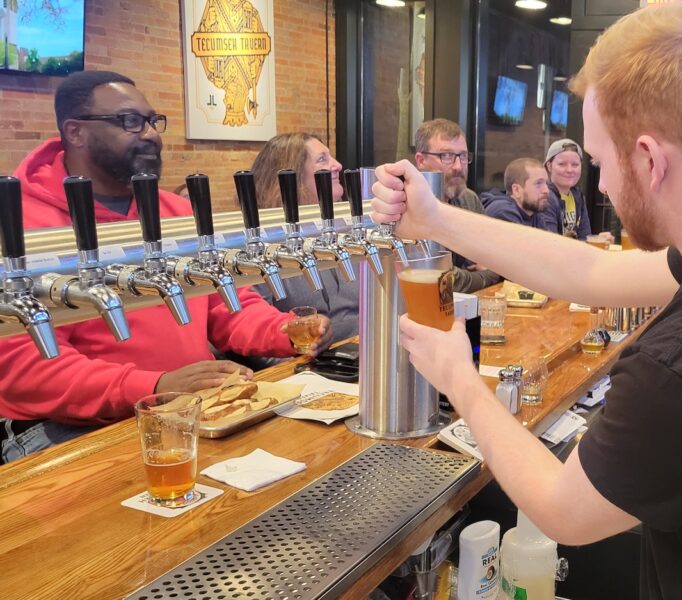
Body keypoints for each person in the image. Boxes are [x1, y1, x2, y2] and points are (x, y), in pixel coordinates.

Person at [372, 3, 682, 598]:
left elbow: (564, 511)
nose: (601, 183)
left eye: (598, 161)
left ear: (648, 158)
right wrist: (436, 221)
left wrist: (459, 379)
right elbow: (594, 270)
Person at [0, 71, 331, 463]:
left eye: (153, 121)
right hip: (70, 428)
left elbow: (227, 304)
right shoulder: (18, 225)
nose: (151, 134)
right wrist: (154, 385)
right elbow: (25, 369)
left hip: (190, 409)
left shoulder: (175, 211)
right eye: (129, 121)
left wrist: (285, 332)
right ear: (75, 132)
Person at [247, 132, 360, 345]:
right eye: (322, 159)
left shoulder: (347, 230)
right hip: (307, 364)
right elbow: (256, 332)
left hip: (364, 350)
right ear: (293, 177)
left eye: (331, 157)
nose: (337, 165)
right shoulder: (262, 246)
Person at [413, 118, 502, 292]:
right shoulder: (410, 207)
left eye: (462, 156)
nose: (458, 166)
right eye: (446, 156)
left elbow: (493, 254)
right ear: (421, 160)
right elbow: (440, 280)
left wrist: (490, 267)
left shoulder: (468, 199)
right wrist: (489, 276)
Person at [543, 138, 612, 243]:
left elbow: (584, 236)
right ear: (549, 166)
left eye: (575, 165)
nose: (570, 170)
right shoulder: (544, 196)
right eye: (562, 164)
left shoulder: (577, 196)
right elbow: (551, 243)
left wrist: (597, 240)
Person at [480, 158, 556, 231]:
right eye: (538, 183)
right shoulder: (503, 212)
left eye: (546, 183)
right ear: (516, 190)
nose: (546, 190)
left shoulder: (534, 214)